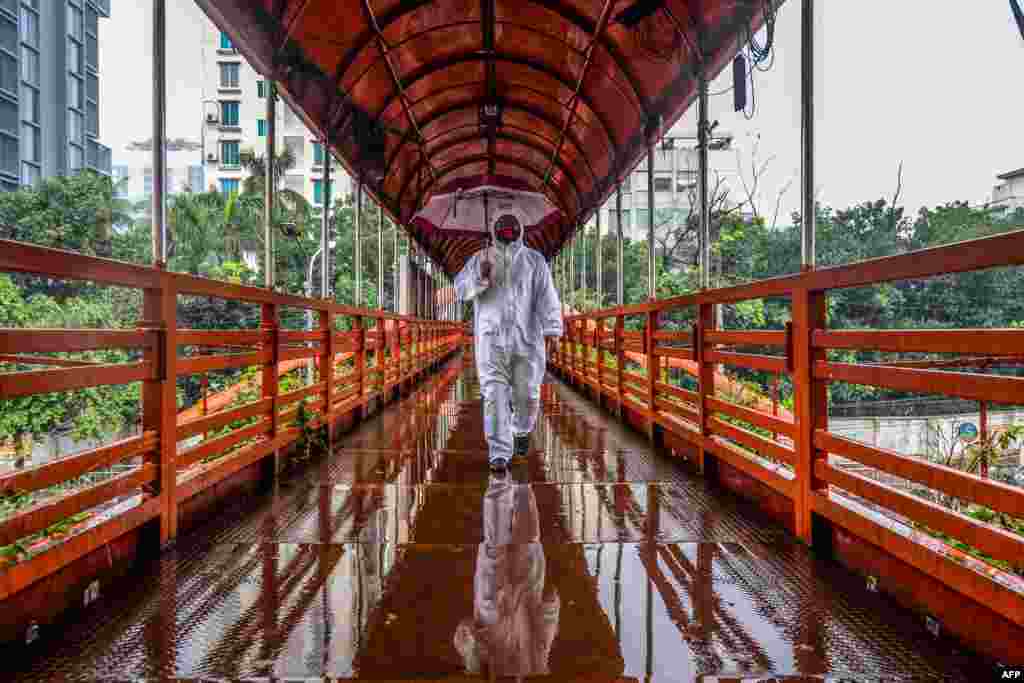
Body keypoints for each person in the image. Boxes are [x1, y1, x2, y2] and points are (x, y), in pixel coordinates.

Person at [454, 210, 563, 471]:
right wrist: (479, 277)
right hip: (491, 341)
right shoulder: (480, 259)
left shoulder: (534, 261)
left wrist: (553, 330)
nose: (507, 230)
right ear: (494, 230)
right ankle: (499, 453)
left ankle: (522, 430)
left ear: (520, 230)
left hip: (528, 341)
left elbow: (546, 298)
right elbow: (460, 289)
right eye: (502, 226)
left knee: (527, 395)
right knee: (494, 396)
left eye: (512, 226)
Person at [453, 472, 560, 677]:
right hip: (522, 605)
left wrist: (550, 609)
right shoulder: (534, 667)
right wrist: (549, 609)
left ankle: (505, 481)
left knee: (501, 545)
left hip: (496, 611)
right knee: (521, 542)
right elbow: (544, 639)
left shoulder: (484, 669)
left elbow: (465, 638)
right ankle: (515, 484)